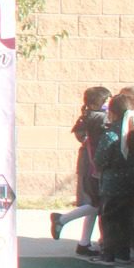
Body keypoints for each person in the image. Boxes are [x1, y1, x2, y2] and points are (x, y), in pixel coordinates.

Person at [49, 86, 111, 257]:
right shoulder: (99, 118)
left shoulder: (87, 117)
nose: (108, 105)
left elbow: (80, 134)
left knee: (94, 203)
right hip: (93, 167)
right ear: (96, 103)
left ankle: (84, 243)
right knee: (96, 204)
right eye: (105, 101)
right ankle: (62, 219)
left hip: (87, 164)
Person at [93, 88, 134, 266]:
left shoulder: (111, 134)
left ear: (113, 112)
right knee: (126, 219)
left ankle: (108, 254)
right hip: (133, 181)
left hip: (112, 182)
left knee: (109, 218)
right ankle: (124, 254)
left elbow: (100, 159)